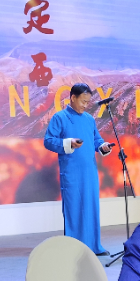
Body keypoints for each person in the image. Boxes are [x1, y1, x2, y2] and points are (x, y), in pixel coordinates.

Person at [43, 83, 114, 256]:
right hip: (71, 171)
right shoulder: (60, 117)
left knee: (91, 207)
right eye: (83, 101)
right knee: (74, 208)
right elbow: (48, 141)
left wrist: (103, 146)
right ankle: (74, 249)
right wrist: (68, 143)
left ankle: (94, 246)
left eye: (88, 102)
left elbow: (96, 140)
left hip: (90, 171)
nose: (85, 105)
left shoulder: (89, 119)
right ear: (72, 98)